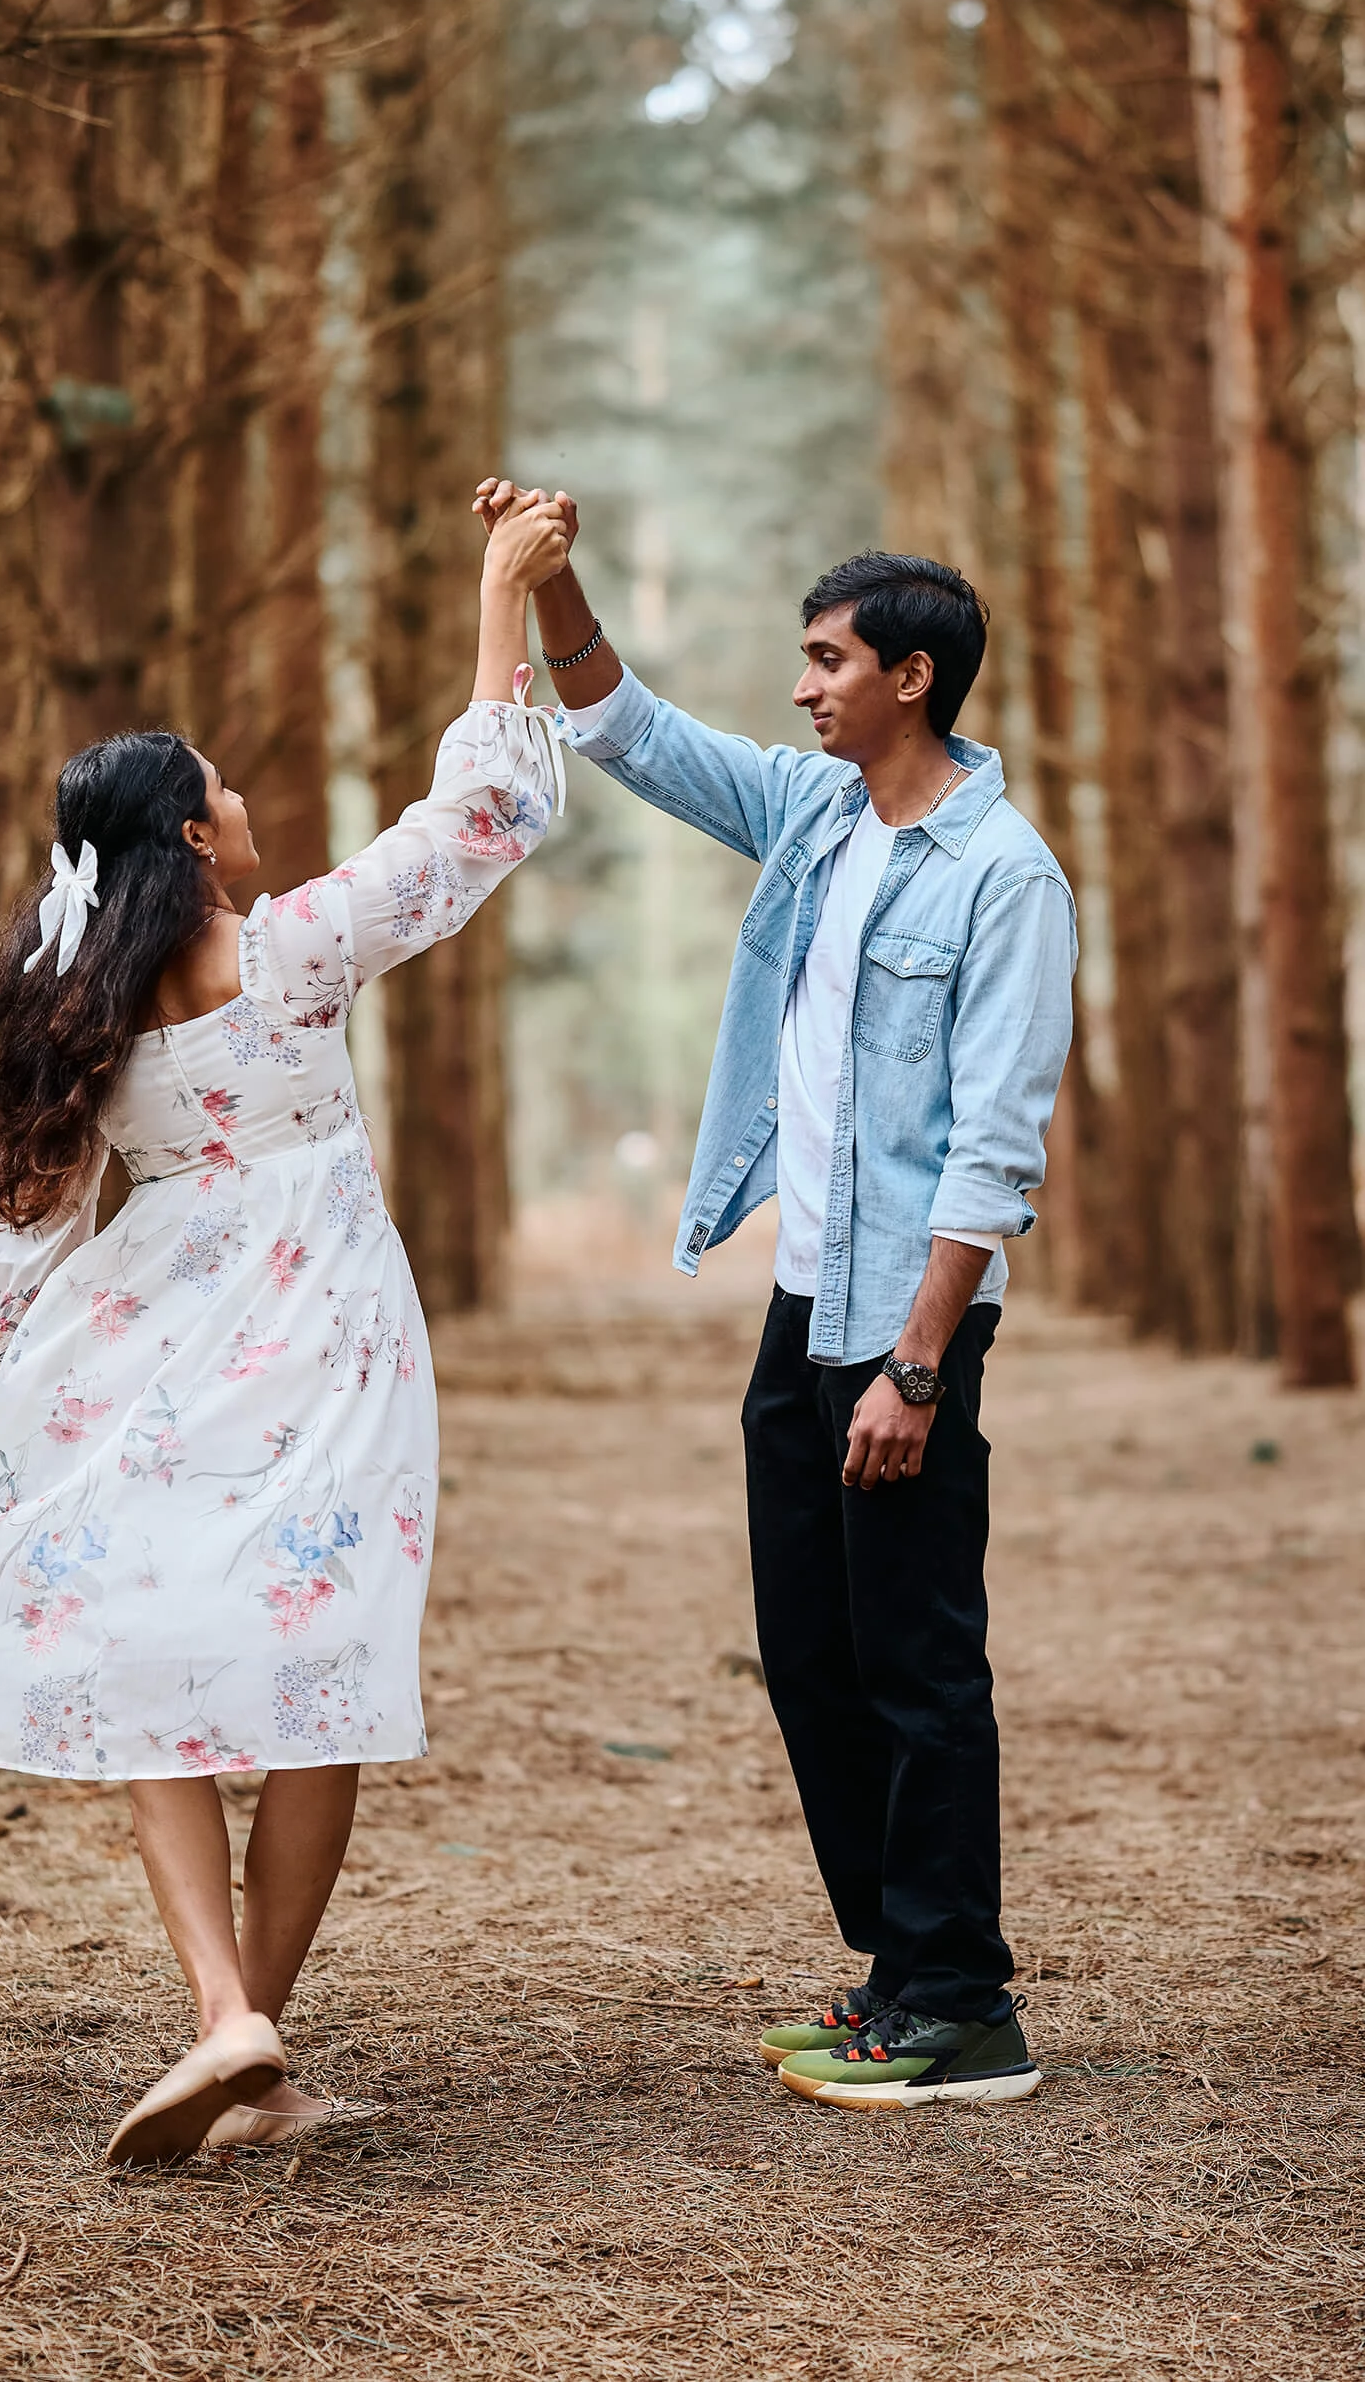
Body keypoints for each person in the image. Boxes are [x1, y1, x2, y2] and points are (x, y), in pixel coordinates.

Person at [0, 491, 573, 2165]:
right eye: (223, 787)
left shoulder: (67, 1009)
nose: (245, 799)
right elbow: (478, 817)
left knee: (160, 1661)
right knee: (325, 1673)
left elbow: (29, 1252)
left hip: (152, 1344)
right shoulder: (286, 956)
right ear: (192, 841)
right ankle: (247, 2047)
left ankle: (236, 2029)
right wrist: (500, 591)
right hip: (330, 1335)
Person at [475, 480, 1075, 2111]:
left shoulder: (1001, 880)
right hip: (804, 1304)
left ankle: (964, 2006)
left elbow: (991, 1151)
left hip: (904, 1322)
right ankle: (900, 1978)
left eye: (827, 660)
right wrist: (552, 583)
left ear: (911, 682)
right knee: (810, 1649)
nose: (802, 686)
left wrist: (918, 1368)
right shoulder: (816, 818)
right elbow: (628, 733)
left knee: (919, 1659)